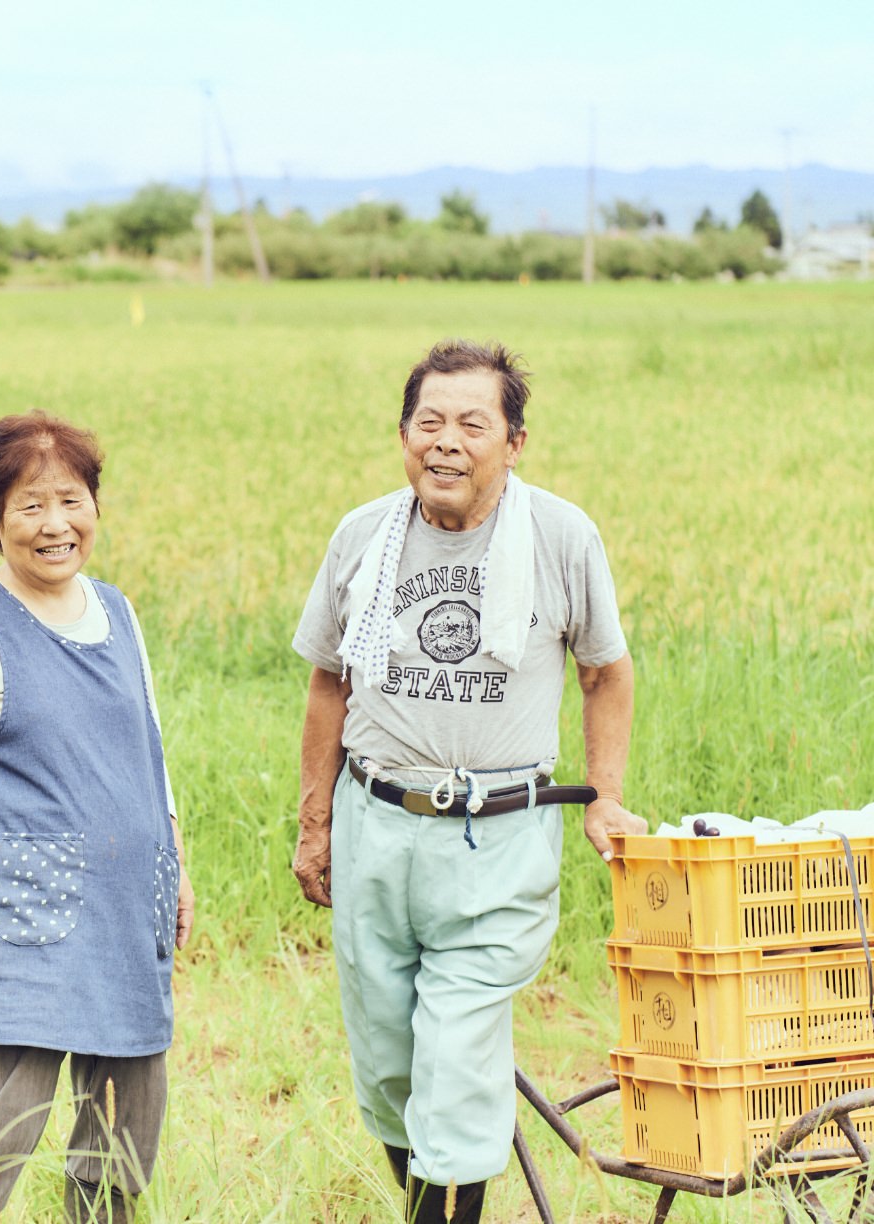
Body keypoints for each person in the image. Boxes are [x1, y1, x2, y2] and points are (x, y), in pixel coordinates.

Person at [291, 339, 644, 1222]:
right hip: (375, 823)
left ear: (513, 442)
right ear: (403, 433)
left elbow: (605, 672)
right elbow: (328, 683)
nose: (445, 442)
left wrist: (603, 792)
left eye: (471, 425)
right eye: (428, 422)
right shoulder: (362, 536)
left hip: (499, 839)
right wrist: (315, 825)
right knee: (389, 1068)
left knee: (453, 1065)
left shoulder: (560, 536)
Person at [0, 411, 193, 1224]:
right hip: (26, 920)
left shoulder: (118, 612)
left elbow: (148, 752)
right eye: (30, 506)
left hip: (129, 912)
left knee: (123, 1142)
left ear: (95, 506)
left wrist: (176, 865)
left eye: (71, 500)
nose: (56, 524)